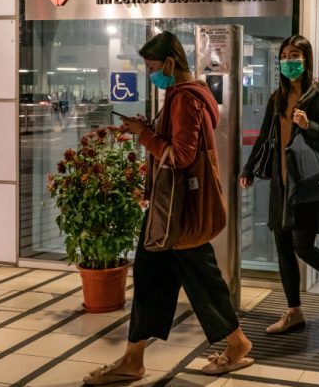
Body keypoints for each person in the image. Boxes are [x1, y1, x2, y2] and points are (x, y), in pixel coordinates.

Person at [83, 31, 253, 385]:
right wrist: (148, 130)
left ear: (171, 64)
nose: (150, 74)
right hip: (172, 213)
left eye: (153, 67)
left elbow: (181, 156)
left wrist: (143, 135)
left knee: (194, 281)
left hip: (177, 213)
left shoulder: (183, 99)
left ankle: (235, 344)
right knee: (155, 279)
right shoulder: (193, 95)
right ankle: (134, 358)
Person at [240, 35, 319, 334]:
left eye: (295, 55)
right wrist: (248, 168)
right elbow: (265, 135)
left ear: (306, 60)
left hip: (307, 183)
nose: (289, 61)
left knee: (302, 246)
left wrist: (309, 126)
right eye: (285, 56)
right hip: (281, 182)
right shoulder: (278, 98)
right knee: (283, 248)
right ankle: (293, 311)